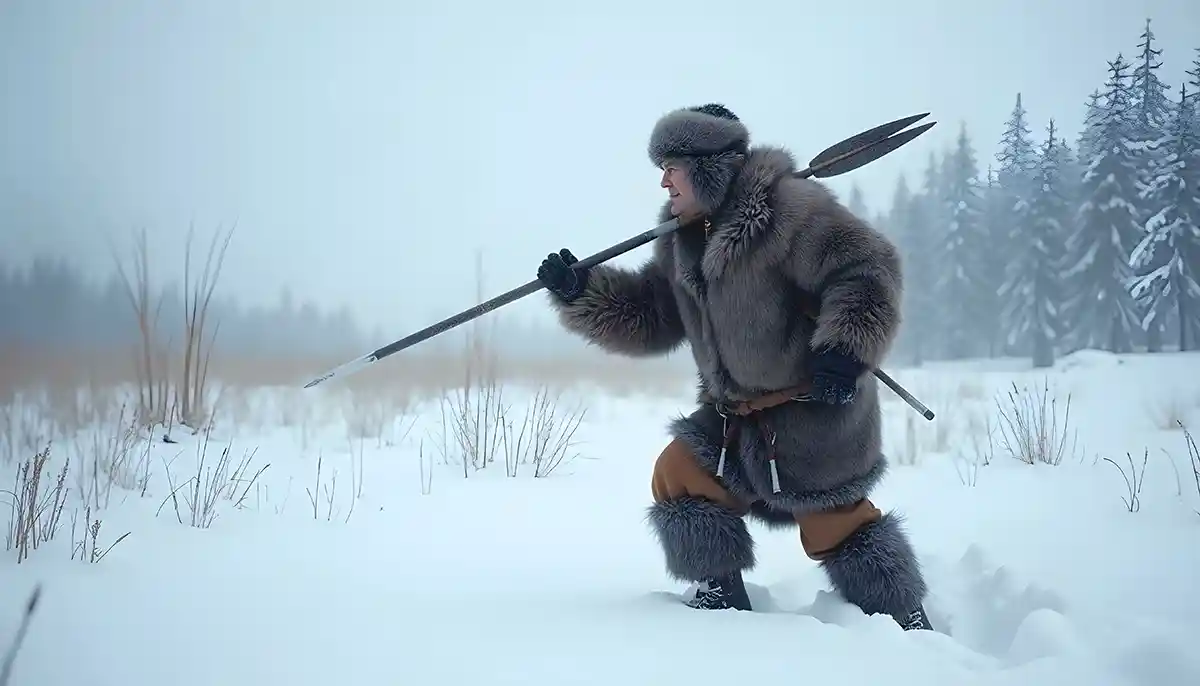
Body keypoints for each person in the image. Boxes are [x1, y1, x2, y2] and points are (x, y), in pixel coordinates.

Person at [535, 103, 933, 631]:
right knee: (679, 472)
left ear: (707, 166)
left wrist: (846, 349)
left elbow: (867, 270)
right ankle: (720, 605)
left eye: (671, 167)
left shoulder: (789, 209)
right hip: (734, 422)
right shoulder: (682, 238)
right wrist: (581, 291)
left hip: (815, 416)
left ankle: (907, 624)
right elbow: (654, 316)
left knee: (837, 525)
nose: (663, 182)